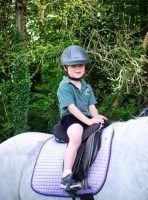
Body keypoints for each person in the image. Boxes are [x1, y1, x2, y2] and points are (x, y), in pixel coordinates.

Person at [57, 45, 107, 190]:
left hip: (86, 118)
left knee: (106, 127)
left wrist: (97, 118)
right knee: (76, 136)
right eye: (73, 66)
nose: (78, 68)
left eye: (80, 65)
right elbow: (71, 108)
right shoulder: (64, 85)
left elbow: (91, 107)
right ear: (66, 68)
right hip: (71, 118)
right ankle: (66, 176)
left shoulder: (87, 87)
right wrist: (89, 121)